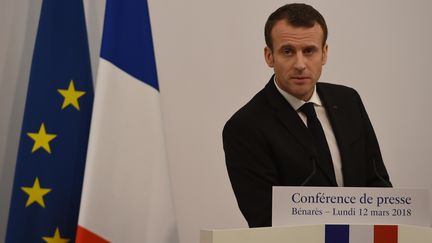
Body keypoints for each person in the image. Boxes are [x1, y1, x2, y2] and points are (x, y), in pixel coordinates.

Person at [222, 3, 392, 228]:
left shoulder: (348, 101)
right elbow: (265, 220)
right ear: (269, 56)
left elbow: (378, 184)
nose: (300, 64)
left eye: (309, 51)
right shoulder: (245, 127)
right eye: (288, 51)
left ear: (324, 53)